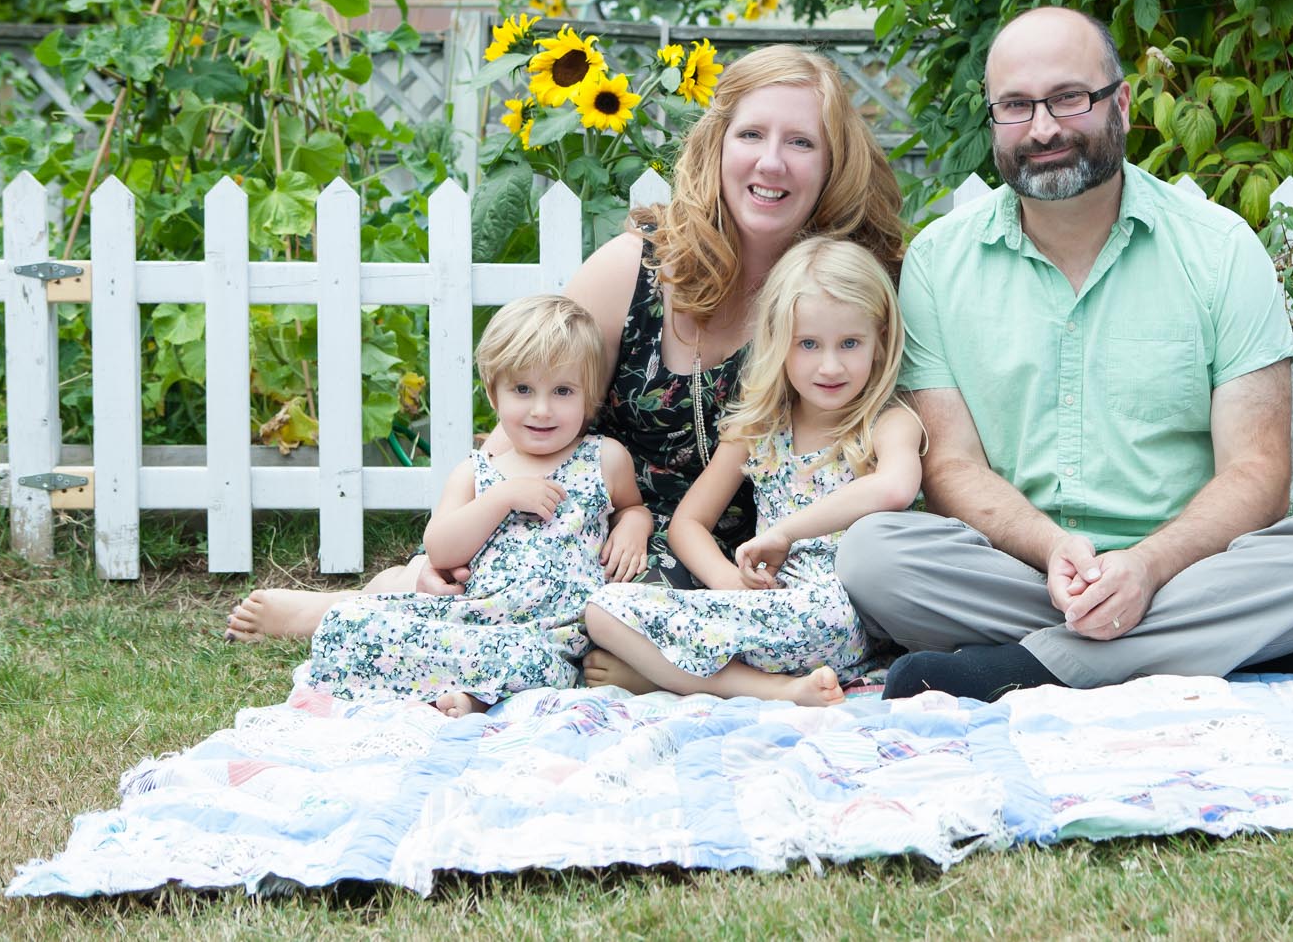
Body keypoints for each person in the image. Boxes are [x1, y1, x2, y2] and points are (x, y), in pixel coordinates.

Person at [225, 44, 906, 651]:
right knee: (496, 590)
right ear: (717, 146)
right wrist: (457, 537)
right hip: (585, 529)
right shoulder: (635, 268)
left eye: (801, 143)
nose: (771, 161)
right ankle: (357, 604)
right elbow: (526, 414)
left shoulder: (841, 295)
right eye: (751, 133)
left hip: (731, 561)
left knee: (614, 625)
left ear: (833, 162)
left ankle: (394, 605)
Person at [836, 5, 1293, 703]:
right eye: (1015, 106)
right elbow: (949, 465)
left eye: (1069, 98)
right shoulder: (938, 263)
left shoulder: (1219, 249)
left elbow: (1259, 470)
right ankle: (1234, 645)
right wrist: (1051, 549)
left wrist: (1146, 566)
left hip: (1189, 567)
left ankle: (1026, 666)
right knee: (873, 556)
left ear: (1122, 103)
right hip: (1023, 572)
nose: (1042, 128)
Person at [582, 236, 922, 706]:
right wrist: (727, 582)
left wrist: (785, 533)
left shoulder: (886, 423)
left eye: (850, 343)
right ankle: (775, 689)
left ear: (879, 345)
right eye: (808, 343)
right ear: (779, 344)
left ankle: (670, 674)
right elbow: (688, 523)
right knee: (603, 610)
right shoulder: (760, 427)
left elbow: (896, 488)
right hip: (761, 609)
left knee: (825, 615)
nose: (829, 364)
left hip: (841, 616)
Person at [303, 294, 648, 716]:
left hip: (551, 636)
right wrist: (501, 498)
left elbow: (631, 506)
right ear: (493, 393)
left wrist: (634, 524)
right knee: (349, 624)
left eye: (562, 390)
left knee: (541, 664)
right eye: (523, 389)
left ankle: (463, 692)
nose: (541, 409)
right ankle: (467, 687)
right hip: (473, 621)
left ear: (589, 397)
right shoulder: (476, 472)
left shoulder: (604, 458)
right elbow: (442, 550)